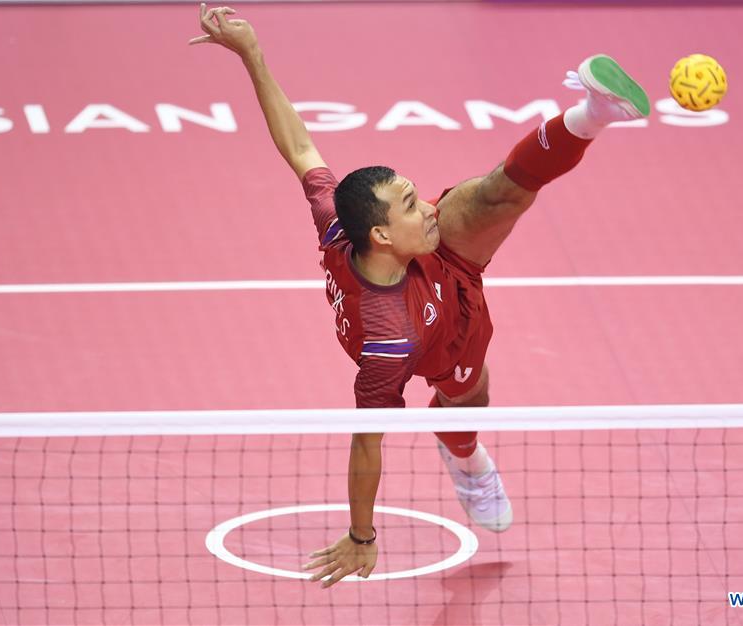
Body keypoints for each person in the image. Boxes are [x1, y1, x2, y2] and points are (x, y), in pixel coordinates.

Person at [190, 3, 649, 588]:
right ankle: (465, 457)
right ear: (380, 233)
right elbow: (367, 443)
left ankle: (594, 112)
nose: (429, 202)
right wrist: (361, 536)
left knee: (494, 195)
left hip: (434, 258)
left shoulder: (339, 219)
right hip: (440, 333)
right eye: (411, 204)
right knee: (466, 399)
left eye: (415, 193)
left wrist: (251, 52)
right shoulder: (387, 341)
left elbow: (299, 146)